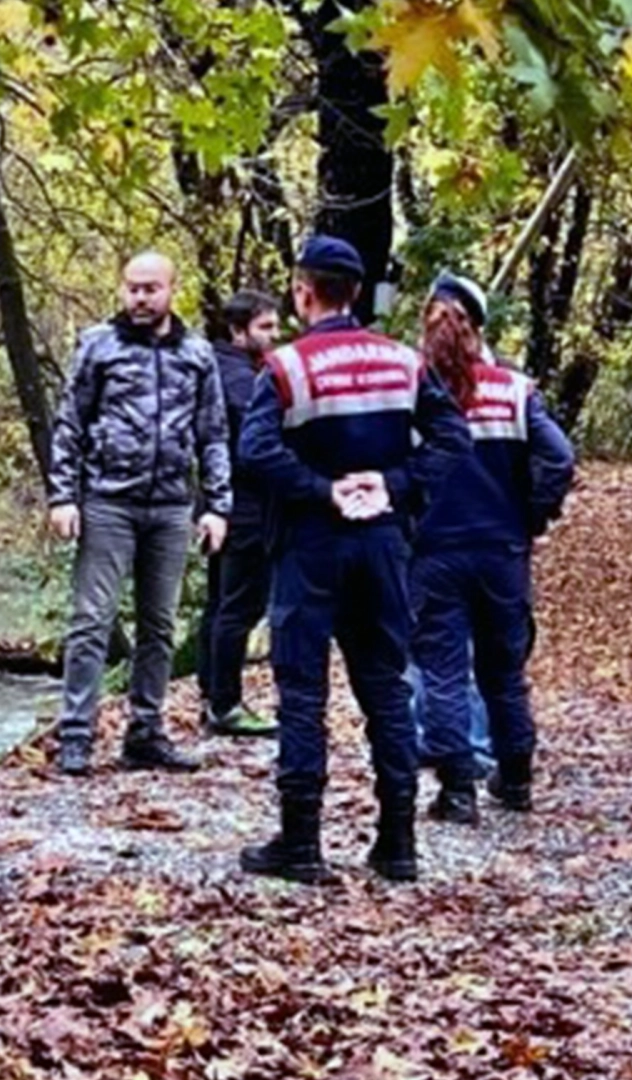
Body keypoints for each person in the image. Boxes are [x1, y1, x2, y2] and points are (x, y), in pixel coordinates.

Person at [236, 235, 471, 884]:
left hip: (310, 545)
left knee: (303, 695)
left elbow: (255, 452)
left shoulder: (284, 369)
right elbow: (453, 436)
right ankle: (397, 843)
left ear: (301, 291)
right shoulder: (403, 363)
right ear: (358, 293)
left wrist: (320, 489)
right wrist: (393, 484)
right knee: (386, 691)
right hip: (383, 545)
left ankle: (302, 844)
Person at [47, 251, 232, 777]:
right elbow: (70, 424)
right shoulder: (98, 346)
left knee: (159, 624)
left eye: (151, 288)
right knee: (91, 619)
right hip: (108, 500)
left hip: (172, 505)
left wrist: (217, 506)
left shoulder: (197, 353)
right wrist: (63, 496)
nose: (140, 298)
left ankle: (145, 732)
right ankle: (76, 735)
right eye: (132, 288)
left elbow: (213, 434)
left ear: (173, 290)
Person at [410, 272, 576, 822]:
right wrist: (531, 514)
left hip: (433, 550)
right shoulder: (514, 389)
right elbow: (558, 459)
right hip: (502, 550)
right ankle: (517, 779)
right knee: (504, 671)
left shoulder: (413, 391)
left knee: (442, 670)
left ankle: (457, 789)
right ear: (479, 328)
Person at [196, 289, 280, 738]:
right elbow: (256, 435)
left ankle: (213, 694)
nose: (274, 336)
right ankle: (224, 703)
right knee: (239, 606)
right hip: (243, 505)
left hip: (224, 502)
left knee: (221, 602)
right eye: (265, 327)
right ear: (237, 330)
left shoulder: (233, 368)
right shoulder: (236, 377)